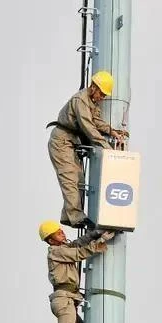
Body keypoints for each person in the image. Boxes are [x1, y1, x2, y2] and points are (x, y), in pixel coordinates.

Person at [46, 71, 129, 229]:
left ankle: (69, 216)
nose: (102, 98)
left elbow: (95, 121)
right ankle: (76, 217)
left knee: (79, 180)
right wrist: (107, 148)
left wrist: (112, 131)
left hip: (70, 141)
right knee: (70, 179)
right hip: (61, 142)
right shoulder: (81, 100)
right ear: (94, 88)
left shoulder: (90, 101)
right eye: (102, 94)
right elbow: (88, 127)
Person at [38, 220, 116, 323]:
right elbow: (79, 253)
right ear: (51, 240)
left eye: (61, 231)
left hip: (68, 298)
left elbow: (78, 243)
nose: (63, 234)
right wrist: (100, 241)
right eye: (58, 233)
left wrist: (95, 233)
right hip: (64, 299)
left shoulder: (63, 248)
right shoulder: (55, 251)